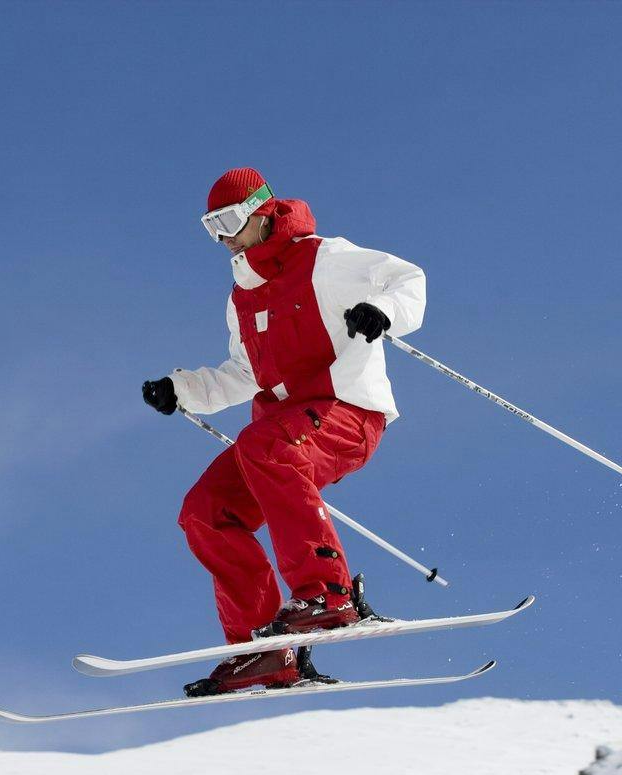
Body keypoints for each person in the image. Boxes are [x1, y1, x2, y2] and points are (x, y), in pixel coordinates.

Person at [142, 168, 427, 697]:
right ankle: (265, 651)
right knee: (205, 511)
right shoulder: (242, 296)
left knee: (265, 446)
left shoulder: (325, 258)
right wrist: (183, 389)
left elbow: (408, 279)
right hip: (280, 435)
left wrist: (382, 311)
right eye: (211, 227)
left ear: (261, 209)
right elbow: (243, 373)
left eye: (229, 221)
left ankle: (329, 594)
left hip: (347, 413)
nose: (223, 237)